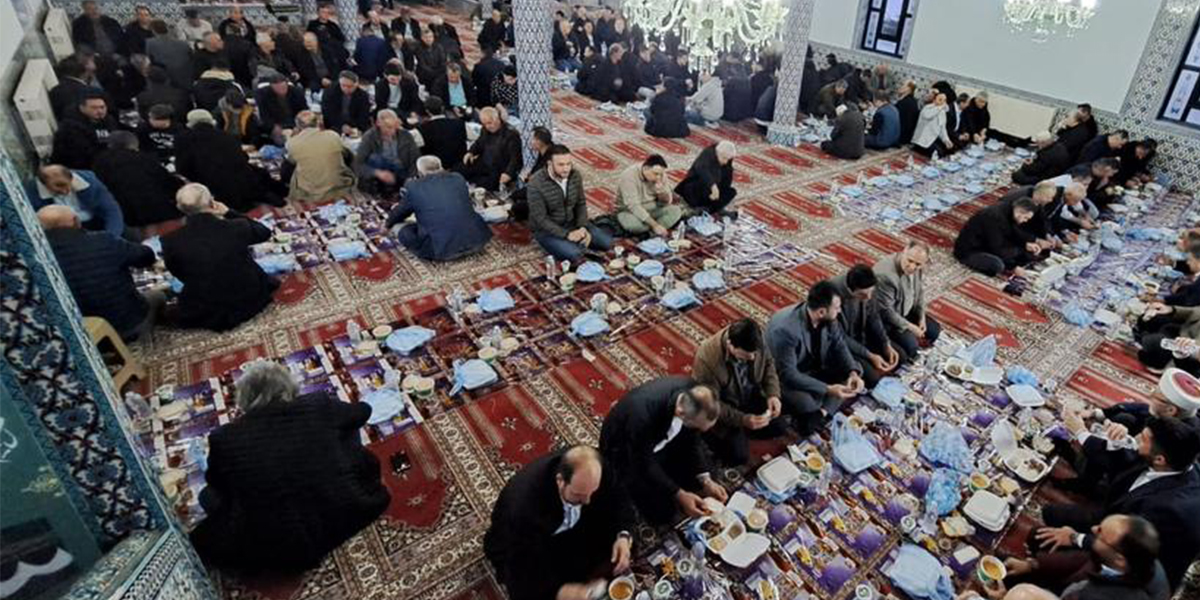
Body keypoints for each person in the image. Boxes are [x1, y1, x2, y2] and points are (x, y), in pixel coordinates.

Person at [190, 361, 390, 572]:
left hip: (275, 547)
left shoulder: (223, 438)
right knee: (344, 435)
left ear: (244, 401)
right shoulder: (317, 404)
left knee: (207, 497)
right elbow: (363, 412)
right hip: (348, 511)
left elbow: (216, 485)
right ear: (290, 388)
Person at [1032, 416, 1200, 590]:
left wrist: (1075, 538)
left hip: (1133, 568)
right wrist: (1118, 440)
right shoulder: (1178, 462)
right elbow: (1127, 460)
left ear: (1159, 460)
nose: (1136, 440)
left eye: (1142, 439)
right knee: (1051, 513)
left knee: (1039, 537)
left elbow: (1126, 550)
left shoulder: (1166, 509)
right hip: (1118, 515)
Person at [484, 445, 633, 600]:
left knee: (617, 546)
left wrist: (623, 536)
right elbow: (519, 568)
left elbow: (618, 498)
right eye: (578, 494)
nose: (587, 501)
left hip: (571, 527)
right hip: (527, 543)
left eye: (592, 492)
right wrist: (560, 592)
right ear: (560, 481)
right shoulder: (522, 509)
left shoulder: (596, 468)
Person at [598, 377, 726, 525]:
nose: (698, 431)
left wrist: (706, 480)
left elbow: (692, 440)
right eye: (697, 427)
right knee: (663, 512)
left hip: (662, 440)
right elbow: (643, 463)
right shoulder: (641, 415)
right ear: (680, 413)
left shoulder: (694, 392)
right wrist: (678, 493)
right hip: (626, 452)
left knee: (703, 477)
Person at [162, 183, 276, 331]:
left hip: (208, 306)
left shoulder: (170, 241)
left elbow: (178, 272)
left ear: (181, 209)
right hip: (250, 296)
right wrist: (229, 212)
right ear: (212, 202)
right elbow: (264, 232)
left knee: (172, 310)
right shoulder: (237, 226)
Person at [38, 205, 160, 342]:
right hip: (130, 324)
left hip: (85, 335)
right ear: (76, 221)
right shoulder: (103, 240)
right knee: (158, 295)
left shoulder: (40, 258)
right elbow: (145, 257)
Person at [766, 281, 865, 435]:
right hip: (788, 376)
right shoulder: (786, 331)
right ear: (821, 312)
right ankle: (820, 409)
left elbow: (839, 345)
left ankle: (821, 413)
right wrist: (828, 389)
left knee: (856, 370)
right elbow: (788, 374)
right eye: (837, 308)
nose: (839, 311)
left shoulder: (829, 318)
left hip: (816, 365)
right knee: (808, 404)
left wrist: (852, 372)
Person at [1001, 514, 1169, 600]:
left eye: (1100, 533)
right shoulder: (1136, 559)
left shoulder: (1099, 596)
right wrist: (1032, 565)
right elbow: (1084, 558)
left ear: (1120, 559)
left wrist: (1006, 597)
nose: (1093, 529)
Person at [692, 319, 783, 466]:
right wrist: (742, 420)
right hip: (726, 406)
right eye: (746, 356)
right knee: (738, 456)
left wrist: (773, 394)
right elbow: (712, 403)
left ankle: (744, 431)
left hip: (749, 395)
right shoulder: (707, 359)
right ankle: (718, 436)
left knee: (779, 427)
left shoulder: (756, 339)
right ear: (730, 345)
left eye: (755, 353)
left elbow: (768, 364)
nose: (752, 358)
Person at [383, 155, 491, 261]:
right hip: (478, 241)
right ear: (441, 167)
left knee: (400, 229)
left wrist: (387, 224)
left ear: (420, 172)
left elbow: (400, 212)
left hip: (441, 250)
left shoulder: (414, 186)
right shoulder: (458, 178)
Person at [176, 109, 285, 210]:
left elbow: (183, 169)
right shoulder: (226, 135)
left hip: (215, 188)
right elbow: (243, 157)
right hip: (244, 182)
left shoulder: (183, 139)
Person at [527, 144, 613, 261]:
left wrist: (582, 227)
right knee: (574, 254)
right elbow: (540, 219)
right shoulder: (535, 184)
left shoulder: (575, 175)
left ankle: (577, 241)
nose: (566, 169)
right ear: (549, 164)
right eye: (561, 165)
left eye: (568, 164)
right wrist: (567, 235)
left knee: (607, 243)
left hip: (572, 222)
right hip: (547, 230)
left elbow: (580, 203)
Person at [92, 131, 183, 227]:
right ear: (135, 144)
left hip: (121, 216)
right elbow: (168, 183)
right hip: (157, 212)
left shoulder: (99, 162)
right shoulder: (146, 159)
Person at [872, 242, 940, 363]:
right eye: (910, 261)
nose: (912, 267)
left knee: (934, 331)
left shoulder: (918, 267)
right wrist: (910, 327)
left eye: (917, 264)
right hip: (887, 320)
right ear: (904, 251)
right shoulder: (886, 276)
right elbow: (886, 312)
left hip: (905, 308)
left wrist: (922, 317)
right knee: (910, 347)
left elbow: (919, 291)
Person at [830, 265, 897, 387]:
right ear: (850, 290)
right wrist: (869, 355)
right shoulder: (832, 298)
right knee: (873, 378)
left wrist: (885, 343)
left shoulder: (867, 290)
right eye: (862, 295)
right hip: (843, 344)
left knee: (900, 356)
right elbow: (839, 337)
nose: (869, 297)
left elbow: (874, 317)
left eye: (871, 292)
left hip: (862, 335)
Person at [26, 165, 124, 238]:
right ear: (44, 184)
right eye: (58, 186)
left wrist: (111, 238)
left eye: (66, 184)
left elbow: (111, 210)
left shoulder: (90, 181)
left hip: (93, 223)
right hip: (62, 230)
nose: (65, 190)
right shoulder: (32, 192)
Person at [954, 197, 1039, 277]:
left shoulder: (1009, 210)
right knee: (997, 265)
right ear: (1020, 212)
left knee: (1022, 251)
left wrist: (1025, 244)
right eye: (1026, 218)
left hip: (988, 243)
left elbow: (1012, 232)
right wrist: (1013, 267)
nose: (1025, 221)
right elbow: (995, 247)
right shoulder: (994, 216)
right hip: (971, 250)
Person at [286, 111, 356, 204]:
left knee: (289, 166)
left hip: (312, 191)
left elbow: (291, 161)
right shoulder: (332, 135)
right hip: (338, 185)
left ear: (298, 126)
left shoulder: (292, 143)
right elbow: (347, 155)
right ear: (318, 122)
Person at [353, 109, 419, 195]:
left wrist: (411, 177)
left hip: (401, 172)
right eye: (388, 127)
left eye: (395, 127)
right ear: (378, 123)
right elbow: (358, 164)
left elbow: (415, 159)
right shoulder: (369, 137)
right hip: (379, 174)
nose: (392, 131)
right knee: (375, 159)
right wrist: (377, 173)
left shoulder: (406, 136)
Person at [615, 154, 684, 237]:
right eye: (656, 174)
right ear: (645, 169)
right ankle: (653, 229)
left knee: (676, 211)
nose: (658, 177)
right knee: (634, 225)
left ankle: (648, 232)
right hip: (629, 211)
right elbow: (633, 206)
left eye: (661, 174)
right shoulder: (629, 177)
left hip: (652, 207)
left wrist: (661, 192)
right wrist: (655, 225)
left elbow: (666, 202)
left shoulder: (661, 175)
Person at [456, 107, 522, 191]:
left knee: (486, 183)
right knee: (459, 169)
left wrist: (508, 173)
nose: (488, 126)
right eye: (485, 124)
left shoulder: (511, 134)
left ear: (497, 119)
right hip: (484, 162)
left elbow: (515, 158)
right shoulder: (485, 129)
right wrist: (471, 152)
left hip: (499, 168)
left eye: (490, 123)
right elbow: (479, 143)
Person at [51, 91, 117, 170]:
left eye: (102, 107)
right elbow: (80, 154)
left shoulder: (109, 121)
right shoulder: (70, 127)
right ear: (82, 108)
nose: (100, 111)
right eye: (94, 108)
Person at [674, 141, 737, 218]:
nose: (725, 162)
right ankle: (701, 209)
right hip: (694, 189)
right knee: (703, 182)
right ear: (717, 153)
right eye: (724, 158)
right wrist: (713, 186)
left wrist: (720, 193)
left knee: (731, 192)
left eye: (728, 159)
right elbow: (701, 170)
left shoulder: (726, 160)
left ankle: (709, 209)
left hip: (710, 195)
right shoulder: (708, 153)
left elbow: (727, 179)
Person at [418, 97, 468, 170]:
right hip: (460, 167)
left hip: (435, 168)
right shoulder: (459, 123)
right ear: (442, 108)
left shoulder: (422, 129)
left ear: (427, 111)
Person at [256, 72, 308, 140]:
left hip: (296, 123)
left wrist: (298, 126)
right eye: (278, 88)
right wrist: (277, 128)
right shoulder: (263, 95)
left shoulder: (296, 92)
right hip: (277, 125)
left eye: (283, 87)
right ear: (271, 86)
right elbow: (265, 117)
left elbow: (304, 110)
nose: (281, 90)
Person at [146, 20, 193, 91]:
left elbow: (146, 62)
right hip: (185, 81)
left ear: (153, 31)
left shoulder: (149, 43)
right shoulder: (184, 44)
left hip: (164, 84)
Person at [320, 71, 372, 135]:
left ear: (356, 85)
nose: (346, 89)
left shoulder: (362, 96)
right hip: (334, 125)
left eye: (350, 86)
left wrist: (354, 128)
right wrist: (342, 126)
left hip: (354, 126)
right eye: (343, 85)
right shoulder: (330, 92)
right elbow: (328, 113)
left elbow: (364, 115)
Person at [912, 92, 953, 157]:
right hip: (922, 141)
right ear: (934, 100)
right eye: (940, 99)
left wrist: (946, 140)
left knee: (946, 150)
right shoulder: (927, 108)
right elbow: (928, 115)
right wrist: (940, 107)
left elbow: (942, 129)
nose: (943, 102)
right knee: (938, 153)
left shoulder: (942, 112)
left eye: (944, 100)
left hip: (933, 139)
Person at [895, 81, 920, 145]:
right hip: (906, 136)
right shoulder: (912, 101)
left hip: (900, 137)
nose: (900, 87)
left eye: (902, 85)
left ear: (908, 89)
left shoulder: (906, 103)